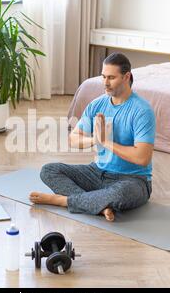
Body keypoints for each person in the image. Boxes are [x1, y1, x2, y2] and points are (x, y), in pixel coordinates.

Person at [29, 53, 156, 221]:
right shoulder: (97, 104)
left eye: (111, 77)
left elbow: (142, 158)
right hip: (97, 172)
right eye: (103, 77)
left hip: (134, 180)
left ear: (127, 77)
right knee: (49, 170)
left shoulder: (142, 110)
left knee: (119, 194)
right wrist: (94, 140)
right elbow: (73, 139)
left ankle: (63, 201)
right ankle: (100, 205)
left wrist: (106, 142)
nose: (105, 83)